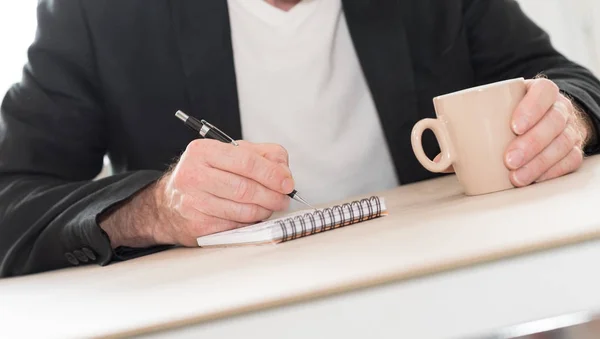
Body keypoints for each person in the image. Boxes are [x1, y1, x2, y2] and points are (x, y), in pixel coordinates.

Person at [1, 0, 599, 278]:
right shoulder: (98, 14)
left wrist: (568, 118)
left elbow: (570, 83)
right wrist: (151, 211)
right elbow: (10, 197)